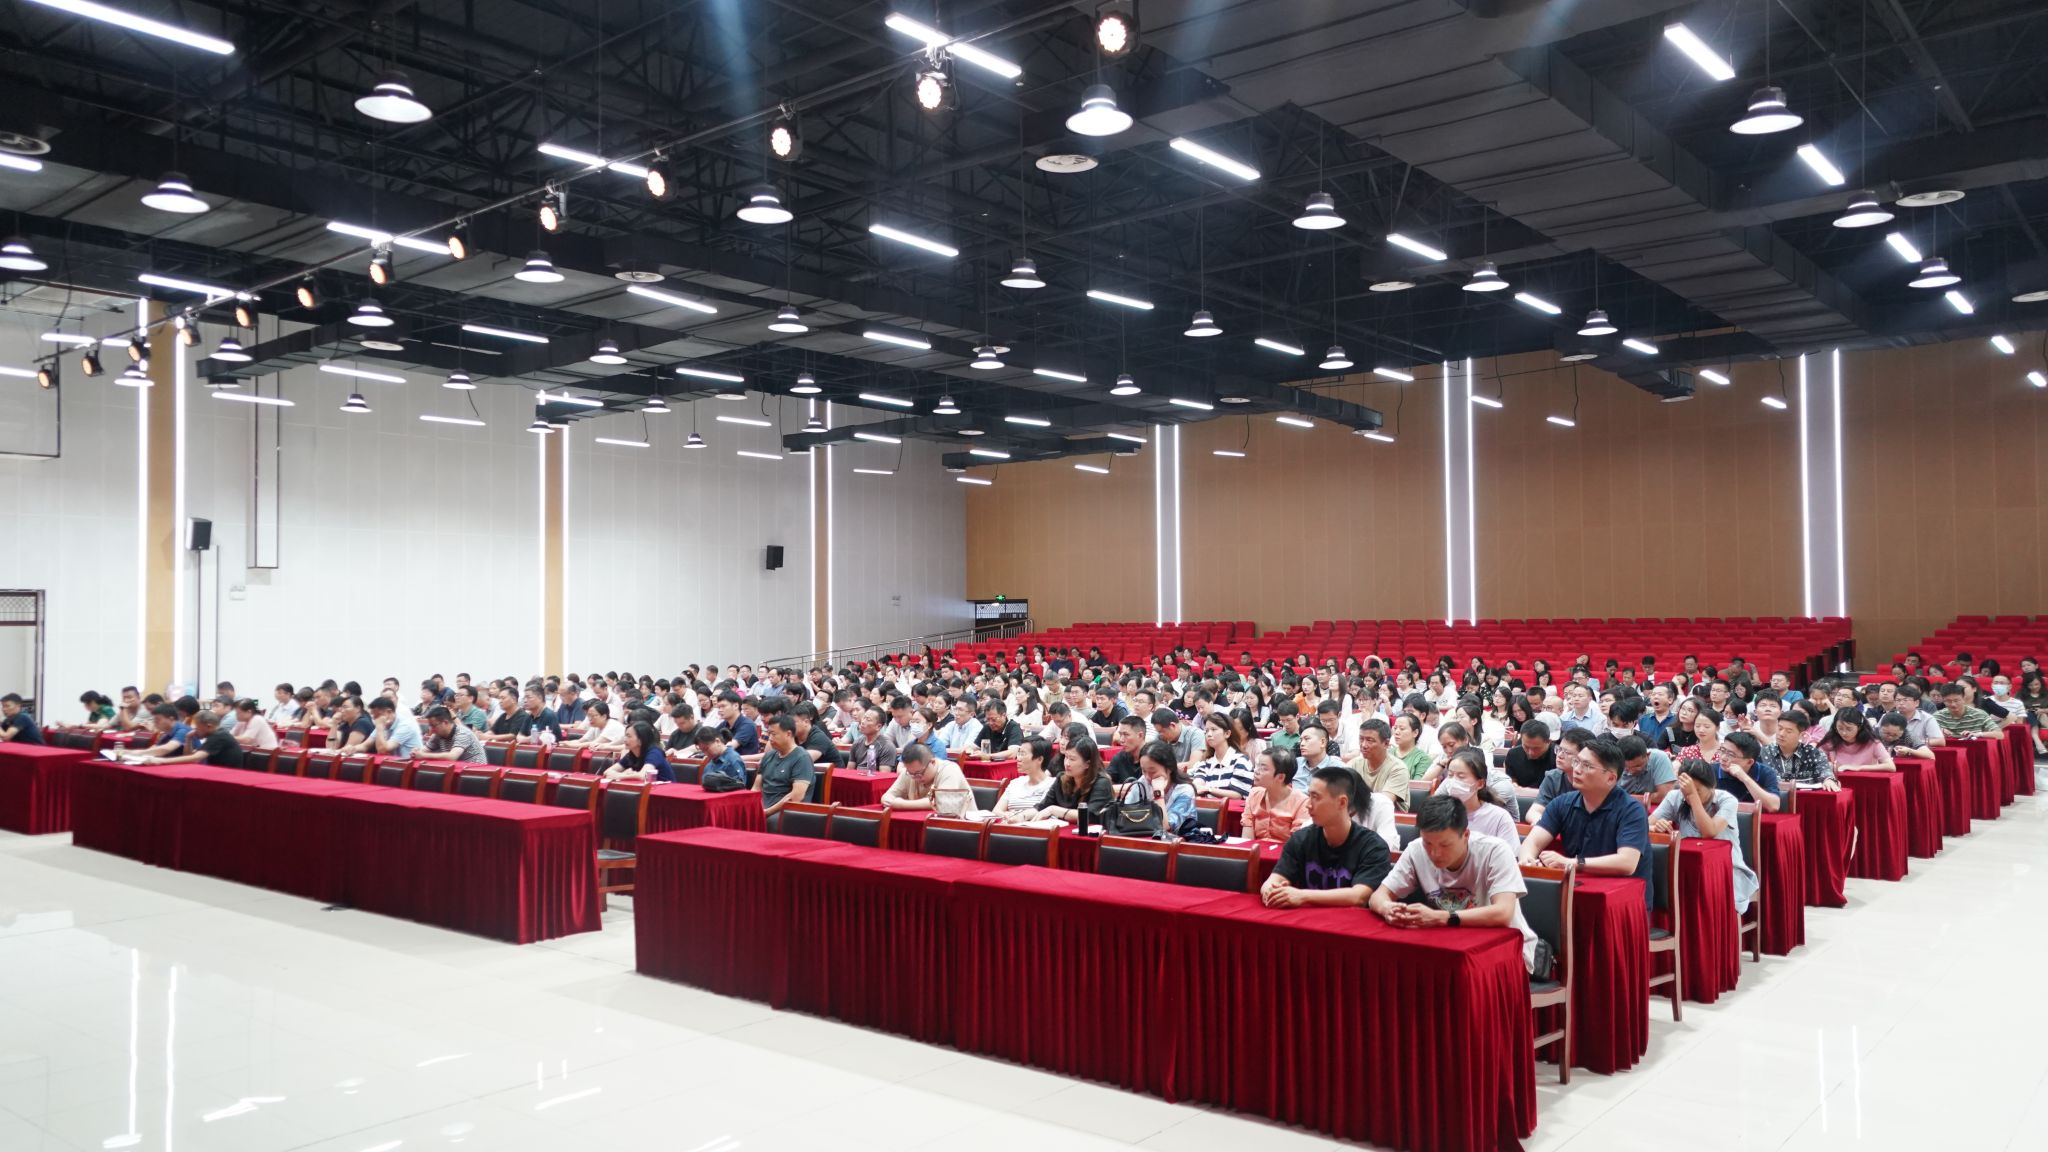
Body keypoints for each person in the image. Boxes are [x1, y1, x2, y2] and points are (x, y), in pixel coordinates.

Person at [1370, 795, 1541, 972]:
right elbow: (1378, 895)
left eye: (1445, 845)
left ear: (1466, 835)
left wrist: (1442, 917)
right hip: (1450, 946)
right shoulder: (1416, 849)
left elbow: (1503, 913)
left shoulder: (1495, 851)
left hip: (1507, 953)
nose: (1435, 853)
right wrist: (1387, 908)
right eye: (1428, 843)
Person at [1519, 736, 1652, 896]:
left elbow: (1627, 863)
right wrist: (1527, 860)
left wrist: (1573, 863)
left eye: (1587, 766)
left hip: (1623, 896)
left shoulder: (1632, 810)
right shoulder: (1562, 803)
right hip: (1574, 889)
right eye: (1577, 762)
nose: (1577, 769)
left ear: (1611, 778)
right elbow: (1533, 842)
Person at [1259, 766, 1392, 908]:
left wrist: (1302, 896)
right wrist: (1270, 891)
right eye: (1309, 796)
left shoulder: (1373, 847)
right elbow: (1274, 879)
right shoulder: (1300, 839)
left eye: (1315, 797)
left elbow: (1358, 896)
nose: (1308, 805)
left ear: (1342, 802)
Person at [1650, 756, 1759, 915]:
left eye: (1697, 790)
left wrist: (1692, 796)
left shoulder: (1727, 800)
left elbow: (1709, 832)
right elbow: (1645, 825)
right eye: (1685, 790)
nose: (1687, 796)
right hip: (1685, 867)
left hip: (1725, 869)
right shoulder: (1675, 796)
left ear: (1712, 786)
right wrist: (1655, 827)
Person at [1438, 748, 1521, 847]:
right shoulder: (1440, 813)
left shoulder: (1500, 818)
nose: (1453, 782)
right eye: (1450, 775)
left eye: (1461, 776)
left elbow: (1510, 854)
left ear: (1480, 784)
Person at [1120, 740, 1197, 834]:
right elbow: (1124, 814)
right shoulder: (1143, 782)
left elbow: (1165, 827)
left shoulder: (1185, 791)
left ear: (1169, 768)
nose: (1148, 777)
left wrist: (1158, 794)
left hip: (1179, 840)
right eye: (1144, 771)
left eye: (1153, 771)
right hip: (1145, 838)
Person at [1036, 737, 1115, 825]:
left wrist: (1054, 810)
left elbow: (1088, 815)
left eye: (1072, 759)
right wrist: (1024, 816)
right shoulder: (1061, 778)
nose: (1067, 763)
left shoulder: (1102, 783)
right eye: (1066, 757)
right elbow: (1041, 808)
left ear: (1087, 764)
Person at [881, 742, 977, 815]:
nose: (916, 778)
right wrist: (890, 800)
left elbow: (939, 802)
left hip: (960, 827)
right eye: (911, 774)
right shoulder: (910, 772)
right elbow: (887, 796)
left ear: (932, 762)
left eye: (919, 773)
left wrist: (901, 804)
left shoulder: (950, 770)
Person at [1242, 746, 1312, 841]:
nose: (1256, 771)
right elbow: (1246, 839)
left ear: (1280, 777)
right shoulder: (1254, 794)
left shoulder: (1302, 803)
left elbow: (1297, 843)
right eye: (1257, 766)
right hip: (1255, 849)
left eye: (1263, 768)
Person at [754, 714, 815, 821]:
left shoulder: (802, 758)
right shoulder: (769, 755)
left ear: (788, 734)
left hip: (786, 812)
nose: (770, 738)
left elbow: (796, 797)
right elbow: (756, 788)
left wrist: (766, 812)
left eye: (774, 734)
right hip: (764, 808)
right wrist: (753, 808)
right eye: (769, 734)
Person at [1188, 712, 1256, 798]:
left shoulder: (1241, 761)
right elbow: (1198, 783)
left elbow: (1238, 795)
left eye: (1213, 729)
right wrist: (1197, 786)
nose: (1209, 734)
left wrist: (1209, 789)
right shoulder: (1205, 763)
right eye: (1207, 730)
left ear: (1227, 733)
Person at [991, 736, 1057, 821]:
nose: (1018, 759)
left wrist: (1019, 817)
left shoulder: (1052, 784)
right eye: (1019, 753)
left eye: (1023, 754)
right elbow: (996, 811)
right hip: (1009, 825)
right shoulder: (1015, 783)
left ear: (1040, 759)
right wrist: (1005, 814)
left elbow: (1042, 812)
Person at [1616, 733, 1676, 808]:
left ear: (1648, 755)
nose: (1632, 771)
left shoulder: (1660, 758)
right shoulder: (1613, 761)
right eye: (1626, 768)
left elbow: (1666, 795)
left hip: (1656, 808)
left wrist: (1626, 798)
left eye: (1637, 766)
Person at [1821, 709, 1894, 769]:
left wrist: (1859, 768)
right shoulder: (1830, 740)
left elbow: (1890, 766)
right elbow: (1818, 761)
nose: (1844, 733)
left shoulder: (1872, 743)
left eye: (1849, 729)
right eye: (1840, 728)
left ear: (1859, 727)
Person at [417, 705, 488, 764]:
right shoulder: (438, 734)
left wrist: (423, 755)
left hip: (476, 772)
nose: (431, 729)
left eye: (433, 725)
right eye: (430, 726)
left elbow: (452, 757)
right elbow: (423, 751)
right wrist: (416, 752)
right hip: (456, 770)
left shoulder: (463, 733)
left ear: (445, 722)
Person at [606, 721, 671, 783]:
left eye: (629, 736)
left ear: (640, 740)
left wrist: (620, 776)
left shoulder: (655, 753)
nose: (625, 740)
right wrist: (626, 774)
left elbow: (644, 775)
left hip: (665, 789)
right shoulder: (631, 754)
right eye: (625, 736)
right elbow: (607, 772)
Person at [844, 706, 900, 773]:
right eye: (864, 718)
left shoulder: (887, 746)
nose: (862, 722)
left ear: (878, 726)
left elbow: (884, 775)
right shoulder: (857, 742)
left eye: (868, 720)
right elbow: (849, 771)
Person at [1934, 683, 2002, 738]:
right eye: (1948, 701)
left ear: (1963, 699)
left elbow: (1999, 734)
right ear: (1943, 700)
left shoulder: (1979, 714)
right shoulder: (1938, 716)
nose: (1953, 704)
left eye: (1956, 700)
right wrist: (1939, 732)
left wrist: (1978, 734)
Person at [1502, 723, 1556, 789]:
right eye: (1526, 747)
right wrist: (1514, 785)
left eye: (1536, 748)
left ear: (1549, 742)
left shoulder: (1558, 757)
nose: (1531, 753)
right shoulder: (1513, 754)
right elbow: (1512, 779)